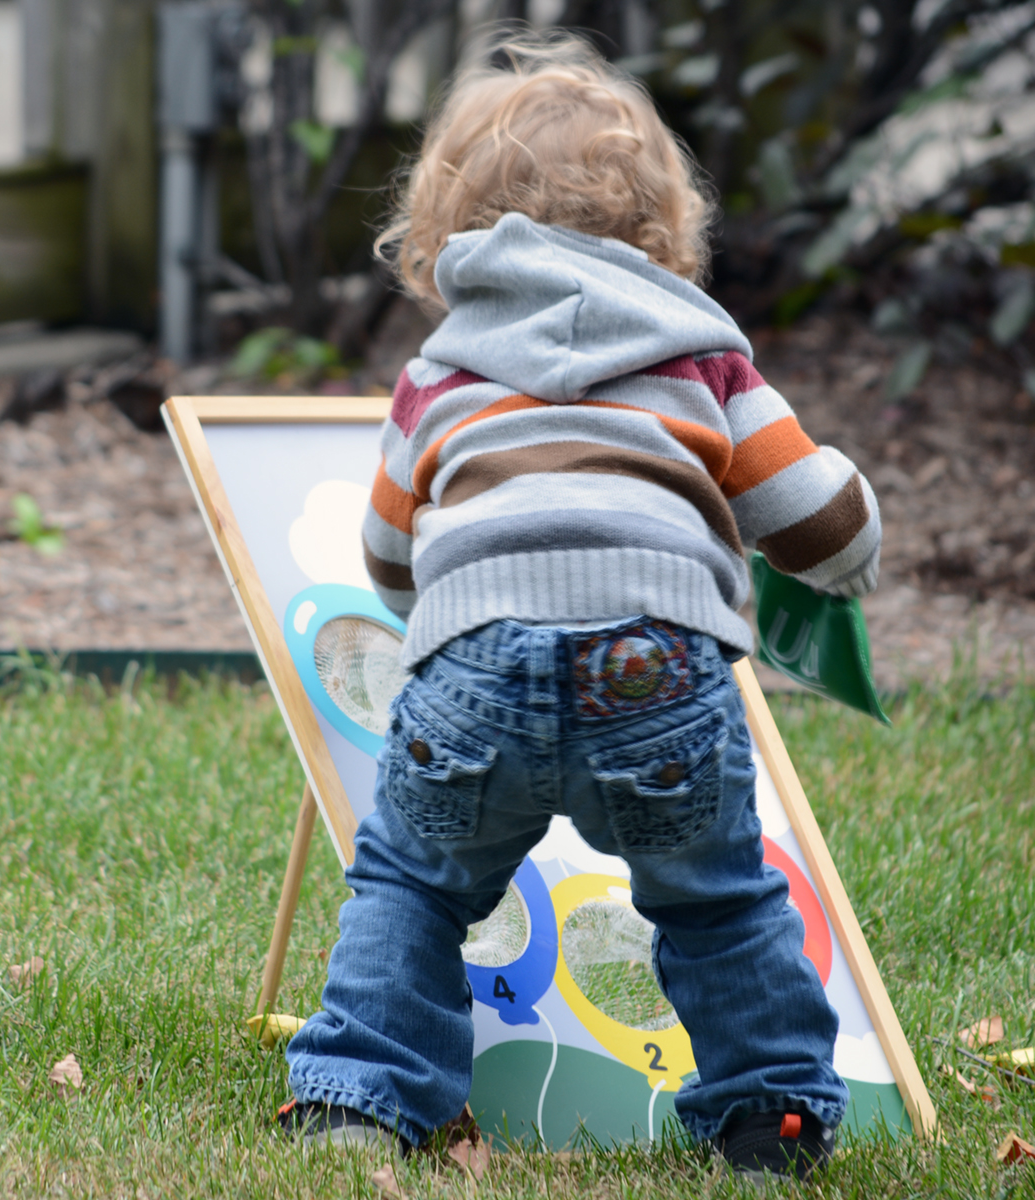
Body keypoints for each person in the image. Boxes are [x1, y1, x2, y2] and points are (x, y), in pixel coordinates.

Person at [276, 30, 879, 1182]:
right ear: (664, 224)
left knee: (412, 881)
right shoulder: (706, 364)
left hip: (473, 672)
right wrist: (843, 544)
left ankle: (359, 1096)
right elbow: (824, 525)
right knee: (713, 898)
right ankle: (772, 1117)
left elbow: (392, 560)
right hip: (655, 673)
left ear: (442, 226)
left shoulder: (439, 379)